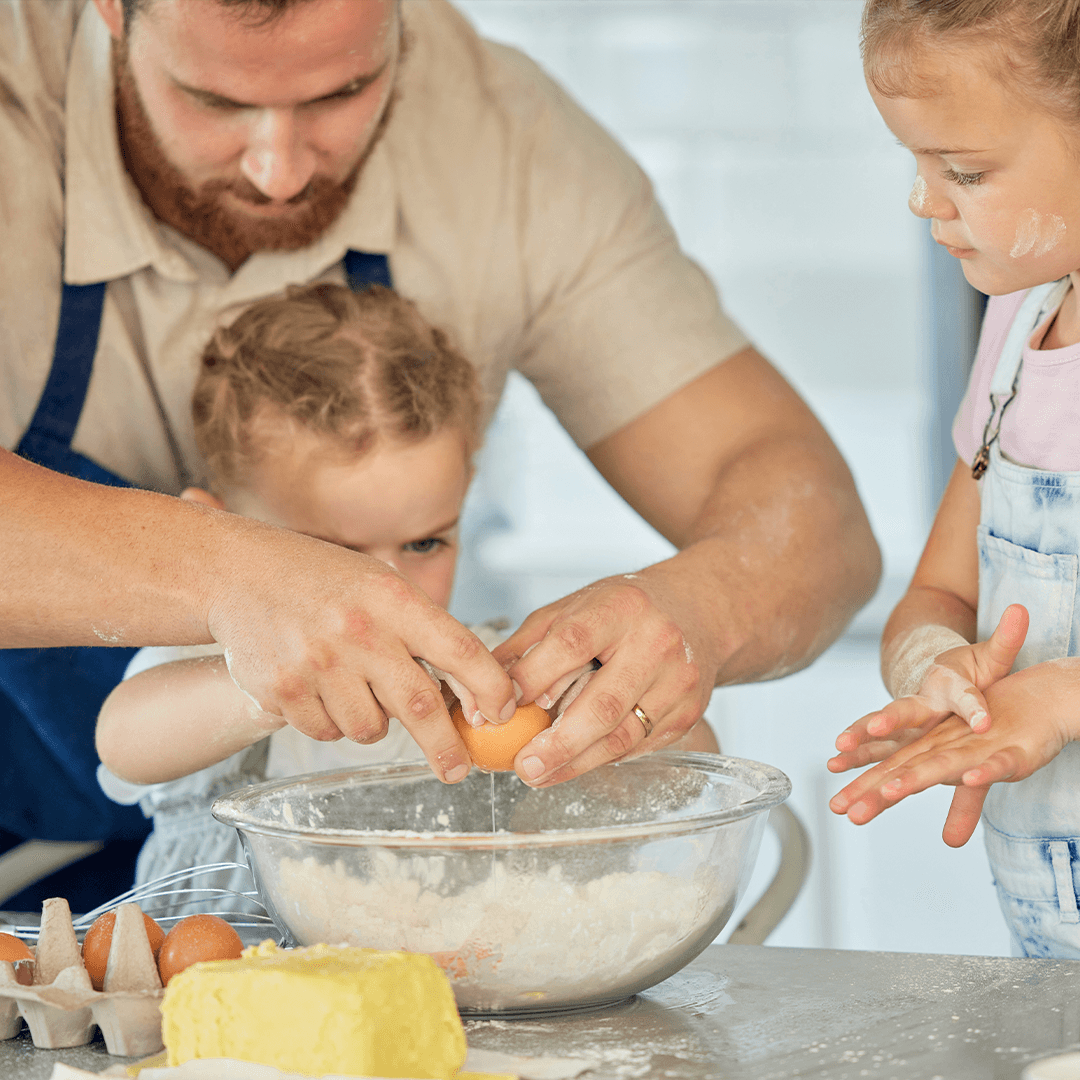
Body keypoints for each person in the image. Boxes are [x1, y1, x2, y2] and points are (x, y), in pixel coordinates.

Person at [0, 0, 879, 904]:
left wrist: (691, 623)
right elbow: (132, 736)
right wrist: (234, 585)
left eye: (345, 90)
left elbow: (812, 517)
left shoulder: (505, 144)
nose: (279, 169)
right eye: (213, 100)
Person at [94, 280, 720, 914]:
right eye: (330, 556)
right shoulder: (216, 668)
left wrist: (598, 711)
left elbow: (687, 778)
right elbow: (121, 742)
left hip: (457, 999)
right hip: (236, 991)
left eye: (425, 544)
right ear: (218, 533)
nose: (388, 590)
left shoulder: (495, 669)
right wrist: (272, 684)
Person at [827, 0, 1080, 958]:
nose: (925, 201)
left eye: (965, 172)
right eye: (918, 163)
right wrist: (934, 668)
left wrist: (1059, 699)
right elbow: (938, 591)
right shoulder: (1015, 342)